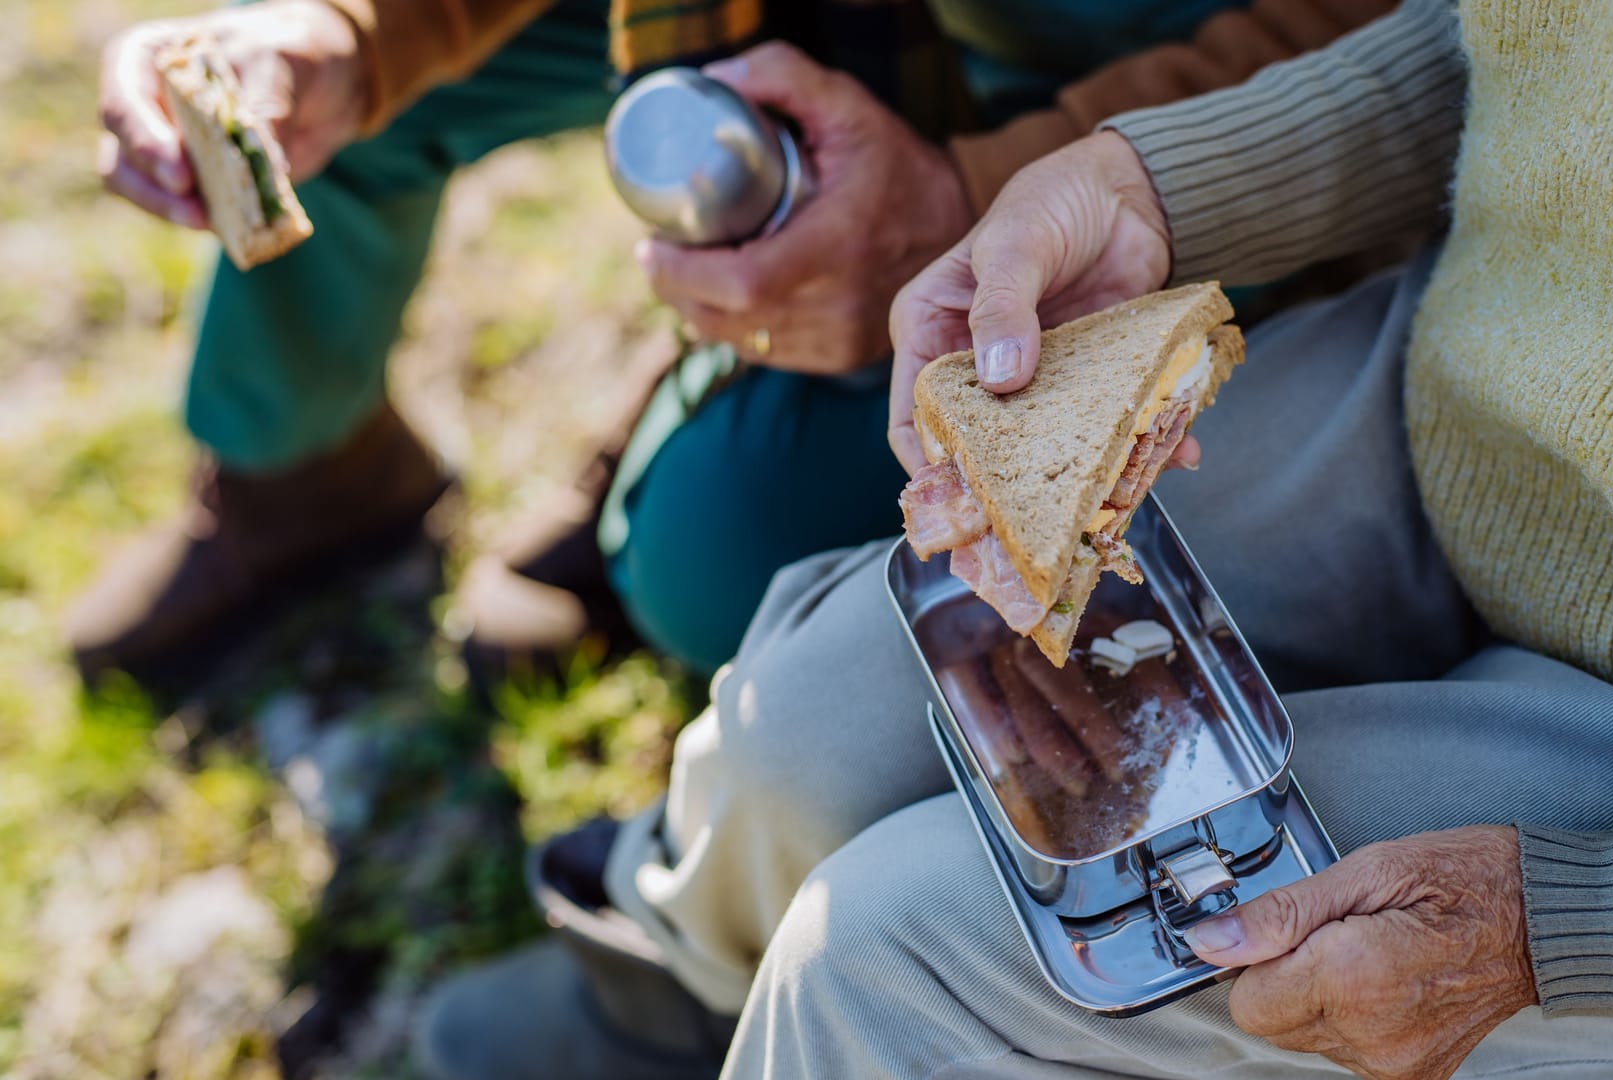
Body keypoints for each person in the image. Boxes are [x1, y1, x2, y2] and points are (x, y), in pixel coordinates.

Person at [417, 0, 1613, 1076]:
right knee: (820, 710)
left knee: (895, 956)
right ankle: (678, 997)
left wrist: (1571, 934)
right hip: (1466, 386)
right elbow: (1524, 41)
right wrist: (1150, 188)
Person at [77, 0, 1397, 683]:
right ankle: (300, 471)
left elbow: (1419, 35)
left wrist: (971, 189)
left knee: (707, 557)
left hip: (1197, 109)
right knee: (340, 102)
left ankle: (693, 411)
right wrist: (348, 36)